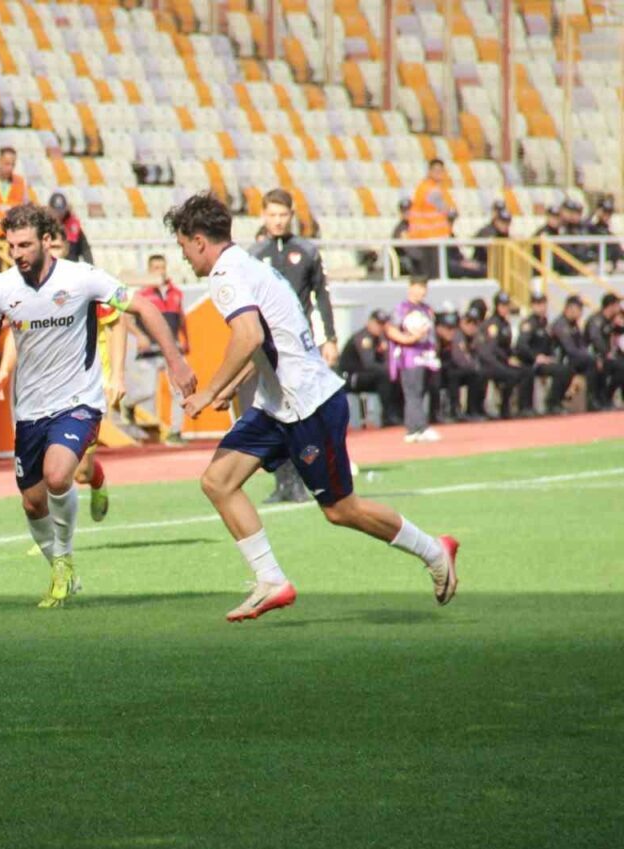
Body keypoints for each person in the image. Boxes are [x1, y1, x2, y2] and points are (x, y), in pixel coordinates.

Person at [166, 191, 459, 622]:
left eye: (183, 247)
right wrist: (235, 384)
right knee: (218, 482)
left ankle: (434, 551)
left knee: (341, 510)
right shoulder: (249, 264)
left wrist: (210, 392)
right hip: (277, 404)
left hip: (309, 405)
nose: (184, 257)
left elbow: (249, 336)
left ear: (197, 241)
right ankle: (271, 581)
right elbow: (269, 340)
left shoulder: (226, 275)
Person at [0, 203, 192, 608]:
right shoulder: (3, 287)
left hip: (79, 400)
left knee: (58, 476)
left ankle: (64, 560)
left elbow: (142, 307)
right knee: (32, 500)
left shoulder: (82, 278)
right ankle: (60, 567)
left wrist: (175, 361)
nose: (17, 253)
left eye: (25, 245)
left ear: (46, 241)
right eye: (11, 246)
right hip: (29, 409)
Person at [0, 221, 126, 531]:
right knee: (45, 471)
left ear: (64, 247)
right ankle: (52, 538)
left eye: (56, 246)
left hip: (85, 386)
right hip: (39, 394)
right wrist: (4, 370)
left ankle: (95, 478)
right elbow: (17, 334)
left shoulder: (82, 282)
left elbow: (117, 321)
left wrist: (117, 375)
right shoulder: (25, 288)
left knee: (76, 471)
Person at [248, 188, 337, 501]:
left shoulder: (307, 251)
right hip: (267, 347)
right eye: (272, 215)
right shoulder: (254, 255)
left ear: (292, 215)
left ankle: (303, 480)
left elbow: (321, 295)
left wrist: (330, 337)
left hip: (299, 346)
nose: (277, 221)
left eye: (283, 215)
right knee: (274, 414)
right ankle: (283, 482)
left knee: (302, 414)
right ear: (263, 215)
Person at [124, 253, 188, 445]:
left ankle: (175, 432)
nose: (160, 271)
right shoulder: (141, 295)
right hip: (149, 350)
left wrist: (186, 339)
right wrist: (139, 335)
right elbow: (125, 319)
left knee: (180, 391)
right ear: (149, 270)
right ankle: (128, 405)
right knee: (147, 391)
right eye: (155, 268)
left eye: (162, 267)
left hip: (171, 350)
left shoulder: (176, 293)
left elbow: (181, 318)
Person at [386, 276, 442, 442]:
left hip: (426, 356)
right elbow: (391, 329)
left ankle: (413, 428)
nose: (421, 291)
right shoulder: (402, 308)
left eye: (423, 287)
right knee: (413, 391)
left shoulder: (426, 309)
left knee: (421, 391)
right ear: (410, 288)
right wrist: (409, 339)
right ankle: (419, 427)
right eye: (418, 287)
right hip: (410, 356)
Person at [475, 291, 532, 419]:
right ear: (496, 306)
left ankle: (524, 407)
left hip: (502, 360)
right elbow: (493, 348)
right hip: (492, 362)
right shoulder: (493, 324)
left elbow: (507, 346)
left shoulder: (505, 323)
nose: (505, 308)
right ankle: (504, 408)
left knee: (527, 371)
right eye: (502, 305)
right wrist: (507, 359)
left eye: (506, 305)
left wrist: (513, 356)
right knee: (511, 375)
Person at [514, 293, 574, 415]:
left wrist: (551, 356)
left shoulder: (545, 323)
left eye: (543, 304)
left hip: (545, 360)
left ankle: (555, 401)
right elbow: (522, 345)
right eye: (538, 304)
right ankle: (539, 405)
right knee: (557, 371)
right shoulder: (529, 324)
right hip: (531, 362)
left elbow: (550, 344)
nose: (542, 307)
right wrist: (536, 357)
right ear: (532, 306)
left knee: (567, 370)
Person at [338, 310, 399, 427]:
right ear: (370, 322)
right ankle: (388, 416)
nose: (380, 327)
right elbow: (369, 364)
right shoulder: (364, 337)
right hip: (351, 377)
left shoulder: (381, 338)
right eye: (378, 324)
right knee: (385, 376)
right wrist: (388, 369)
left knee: (395, 377)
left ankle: (397, 414)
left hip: (368, 376)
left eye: (383, 324)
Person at [550, 294, 603, 411]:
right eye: (579, 309)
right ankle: (554, 402)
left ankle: (593, 399)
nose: (580, 313)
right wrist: (587, 356)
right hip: (562, 359)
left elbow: (582, 345)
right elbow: (569, 349)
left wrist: (591, 356)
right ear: (570, 308)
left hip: (572, 359)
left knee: (596, 363)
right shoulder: (561, 324)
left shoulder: (573, 324)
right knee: (588, 362)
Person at [406, 158, 455, 278]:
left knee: (432, 275)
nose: (439, 173)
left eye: (441, 170)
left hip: (432, 239)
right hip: (428, 239)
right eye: (436, 170)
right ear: (429, 172)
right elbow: (449, 211)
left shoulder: (433, 188)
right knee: (432, 276)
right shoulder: (430, 189)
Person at [586, 293, 624, 407]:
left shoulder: (611, 320)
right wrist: (606, 353)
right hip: (594, 355)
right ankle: (600, 399)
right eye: (617, 305)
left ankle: (608, 396)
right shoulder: (596, 320)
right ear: (611, 306)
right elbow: (595, 339)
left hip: (608, 356)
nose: (619, 308)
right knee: (618, 366)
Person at [48, 192, 92, 264]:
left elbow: (85, 249)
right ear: (50, 209)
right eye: (56, 211)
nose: (59, 214)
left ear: (66, 208)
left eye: (61, 211)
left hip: (71, 265)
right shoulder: (45, 225)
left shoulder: (74, 225)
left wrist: (90, 265)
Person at [445, 210, 487, 279]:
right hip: (448, 266)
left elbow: (457, 254)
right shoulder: (438, 236)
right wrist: (461, 263)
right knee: (480, 271)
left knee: (483, 268)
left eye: (452, 221)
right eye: (449, 220)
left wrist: (465, 261)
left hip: (455, 264)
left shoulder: (450, 235)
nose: (451, 223)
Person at [585, 197, 620, 271]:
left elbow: (616, 248)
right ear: (598, 210)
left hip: (609, 262)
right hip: (592, 262)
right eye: (605, 211)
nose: (607, 215)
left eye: (609, 212)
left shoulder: (608, 228)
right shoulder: (588, 226)